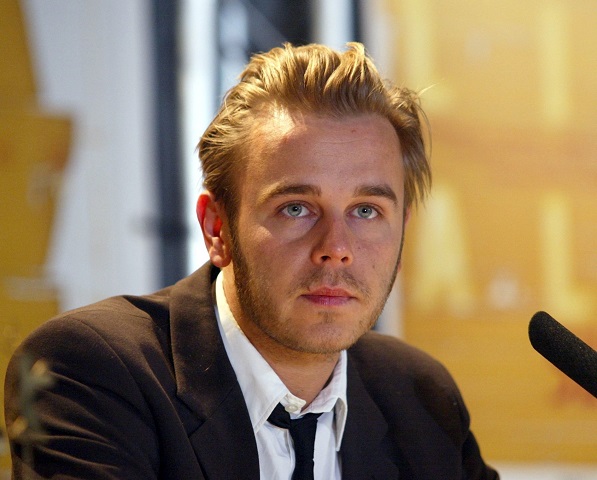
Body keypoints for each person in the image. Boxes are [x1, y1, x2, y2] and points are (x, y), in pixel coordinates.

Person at [4, 42, 499, 479]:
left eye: (366, 211)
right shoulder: (92, 371)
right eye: (296, 208)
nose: (336, 245)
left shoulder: (420, 397)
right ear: (217, 228)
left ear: (403, 229)